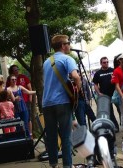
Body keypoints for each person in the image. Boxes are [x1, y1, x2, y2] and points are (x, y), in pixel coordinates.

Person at [42, 34, 81, 168]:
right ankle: (67, 166)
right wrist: (78, 91)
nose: (70, 45)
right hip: (62, 102)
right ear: (63, 46)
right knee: (66, 136)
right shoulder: (67, 59)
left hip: (47, 103)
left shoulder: (46, 62)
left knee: (52, 136)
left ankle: (53, 164)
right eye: (68, 43)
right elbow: (75, 76)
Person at [93, 56, 119, 132]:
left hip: (115, 94)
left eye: (107, 62)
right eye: (104, 62)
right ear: (101, 63)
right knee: (110, 112)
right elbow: (95, 84)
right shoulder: (98, 73)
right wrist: (99, 93)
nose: (106, 63)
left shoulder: (112, 70)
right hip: (105, 96)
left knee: (120, 110)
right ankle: (115, 127)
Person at [6, 65, 33, 136]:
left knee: (26, 122)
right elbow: (6, 97)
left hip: (24, 105)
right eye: (15, 70)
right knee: (18, 126)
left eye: (17, 69)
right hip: (15, 108)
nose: (14, 80)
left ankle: (29, 138)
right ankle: (20, 140)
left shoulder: (22, 81)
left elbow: (29, 90)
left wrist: (37, 93)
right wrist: (12, 99)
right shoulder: (8, 88)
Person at [111, 54, 123, 134]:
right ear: (119, 60)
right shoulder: (116, 71)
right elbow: (116, 85)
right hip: (122, 95)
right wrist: (122, 96)